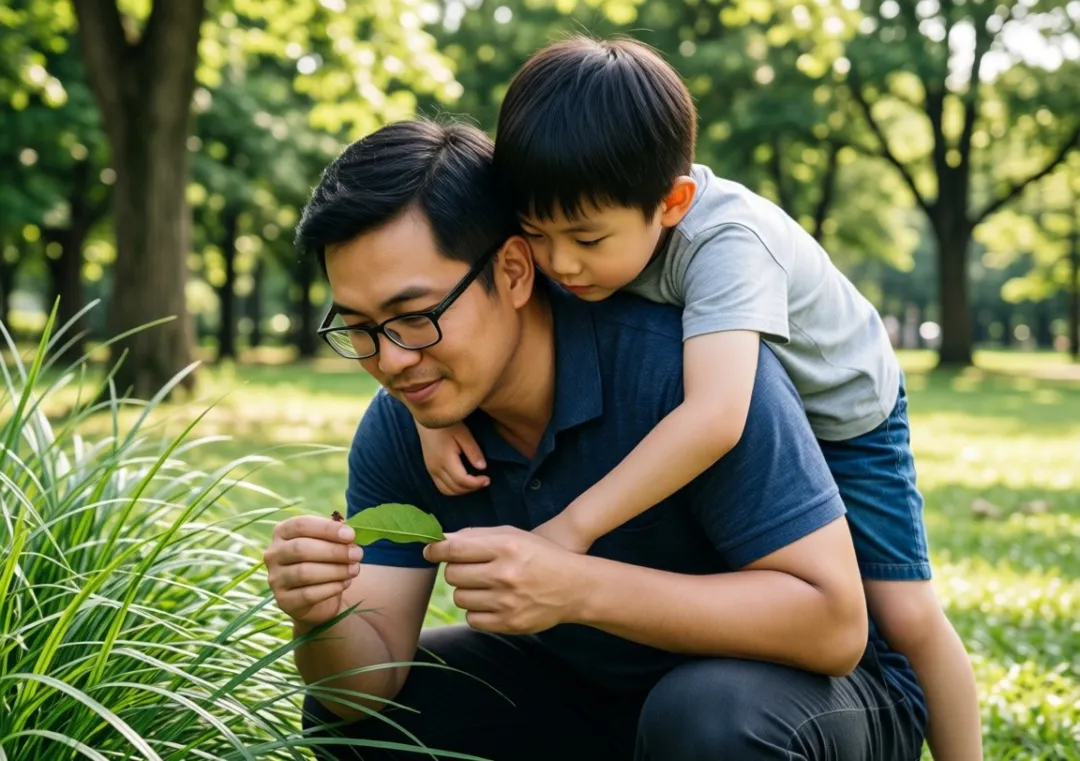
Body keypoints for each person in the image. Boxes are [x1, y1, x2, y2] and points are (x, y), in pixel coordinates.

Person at [264, 119, 926, 760]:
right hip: (596, 694)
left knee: (706, 718)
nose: (391, 359)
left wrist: (578, 587)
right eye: (358, 327)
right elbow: (361, 689)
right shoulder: (407, 422)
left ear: (515, 271)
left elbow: (834, 627)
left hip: (811, 700)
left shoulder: (686, 372)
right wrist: (318, 615)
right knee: (363, 723)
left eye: (414, 317)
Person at [415, 37, 981, 761]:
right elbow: (471, 308)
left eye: (586, 238)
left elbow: (716, 417)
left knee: (904, 612)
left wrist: (572, 529)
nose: (559, 263)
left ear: (673, 202)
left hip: (845, 418)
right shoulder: (583, 222)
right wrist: (433, 415)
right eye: (539, 235)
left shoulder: (727, 244)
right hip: (754, 413)